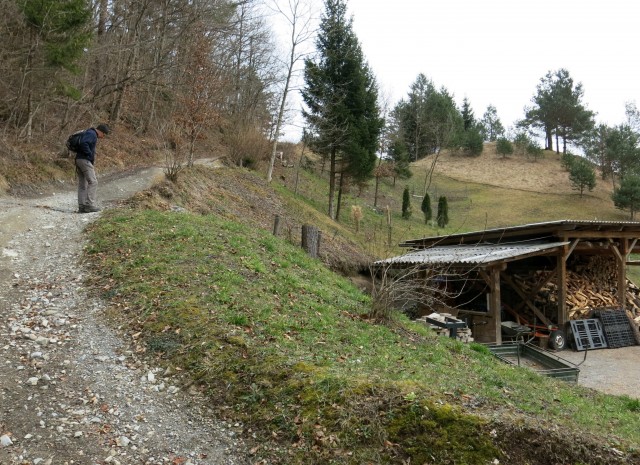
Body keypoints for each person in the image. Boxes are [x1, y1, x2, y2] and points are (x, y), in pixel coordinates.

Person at [75, 123, 110, 213]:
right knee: (93, 182)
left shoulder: (88, 132)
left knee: (83, 184)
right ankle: (89, 205)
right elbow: (84, 143)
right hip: (85, 160)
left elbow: (83, 143)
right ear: (101, 131)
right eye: (104, 134)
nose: (103, 136)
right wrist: (89, 154)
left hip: (79, 159)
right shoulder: (92, 134)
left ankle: (82, 206)